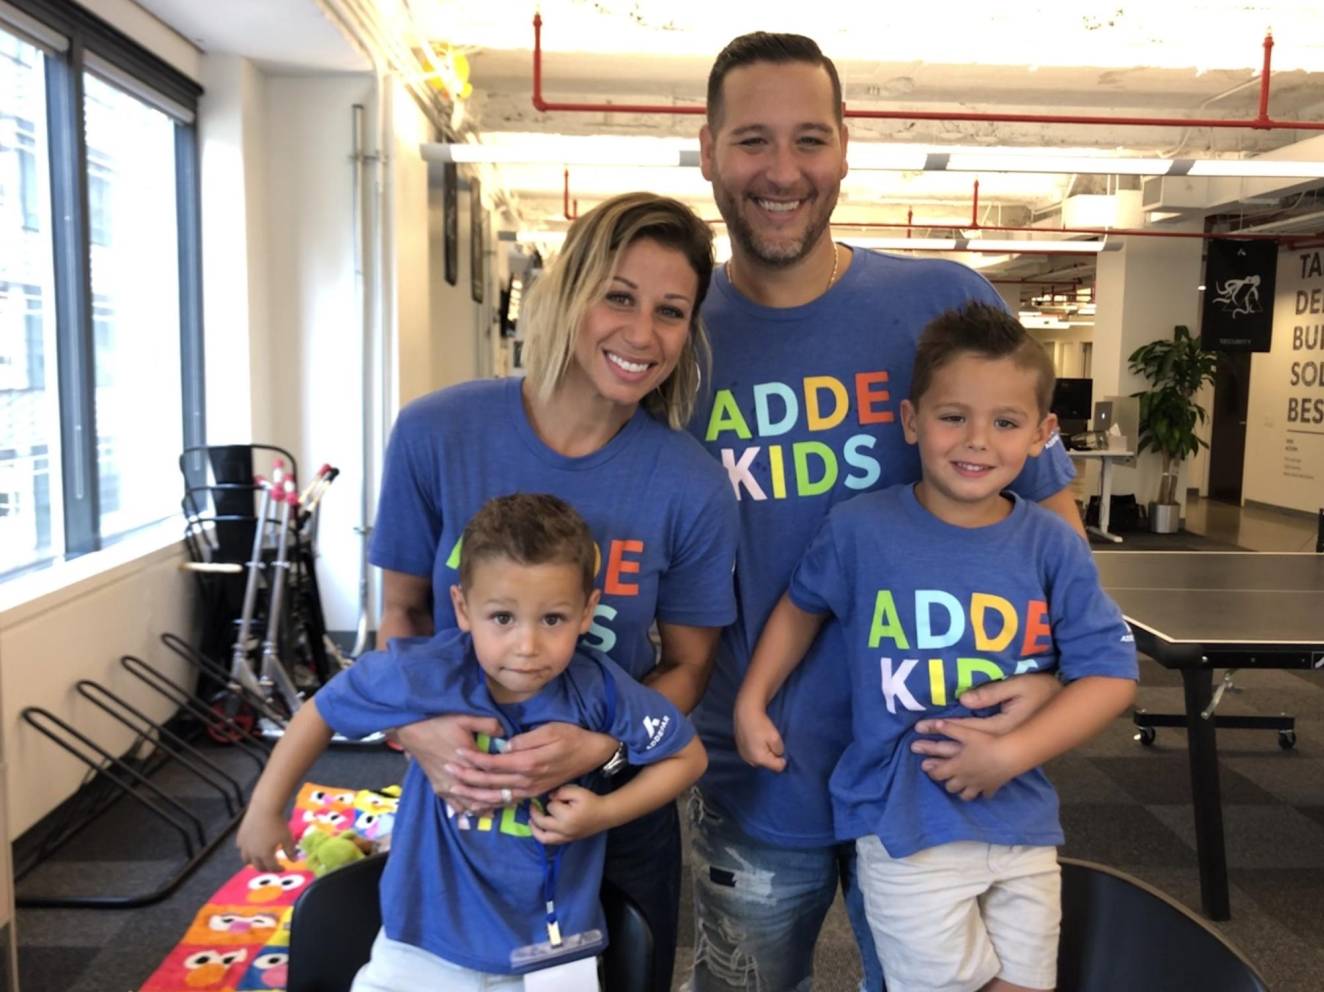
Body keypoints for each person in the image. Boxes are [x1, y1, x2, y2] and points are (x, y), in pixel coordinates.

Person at [685, 32, 1090, 992]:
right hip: (755, 773)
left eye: (809, 139)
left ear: (845, 148)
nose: (783, 171)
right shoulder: (674, 337)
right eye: (752, 140)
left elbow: (1055, 532)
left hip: (942, 778)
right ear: (707, 151)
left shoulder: (943, 302)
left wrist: (1053, 677)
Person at [370, 192, 739, 990]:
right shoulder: (437, 433)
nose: (642, 334)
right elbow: (402, 613)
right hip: (460, 807)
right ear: (569, 292)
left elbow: (689, 665)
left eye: (671, 312)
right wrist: (423, 731)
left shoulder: (692, 485)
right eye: (619, 297)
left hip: (614, 810)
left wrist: (605, 747)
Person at [734, 304, 1138, 992]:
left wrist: (1010, 755)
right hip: (905, 825)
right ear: (912, 420)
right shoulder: (860, 529)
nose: (977, 441)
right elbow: (800, 610)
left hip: (1022, 821)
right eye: (954, 417)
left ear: (1042, 434)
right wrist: (753, 699)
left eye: (1005, 423)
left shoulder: (1053, 546)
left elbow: (1111, 676)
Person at [237, 494, 707, 990]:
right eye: (503, 617)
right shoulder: (425, 673)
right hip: (421, 941)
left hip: (552, 953)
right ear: (463, 607)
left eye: (552, 619)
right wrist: (265, 808)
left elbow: (688, 757)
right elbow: (322, 710)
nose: (527, 646)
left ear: (587, 611)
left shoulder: (600, 690)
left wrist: (604, 813)